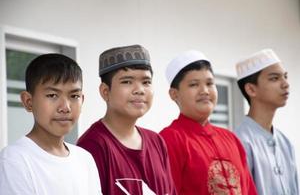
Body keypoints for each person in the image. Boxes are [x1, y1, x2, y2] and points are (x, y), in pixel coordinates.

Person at [77, 44, 176, 195]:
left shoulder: (157, 141)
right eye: (127, 81)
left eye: (146, 82)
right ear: (105, 91)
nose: (139, 90)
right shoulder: (92, 146)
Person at [0, 53, 101, 195]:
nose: (65, 107)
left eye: (74, 96)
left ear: (82, 100)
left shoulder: (85, 159)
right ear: (28, 101)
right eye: (52, 95)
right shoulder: (15, 159)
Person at [160, 50, 257, 195]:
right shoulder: (169, 140)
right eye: (194, 85)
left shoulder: (231, 139)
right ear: (174, 94)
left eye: (210, 83)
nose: (204, 91)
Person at [234, 49, 299, 195]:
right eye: (274, 78)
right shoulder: (239, 143)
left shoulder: (286, 143)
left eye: (285, 77)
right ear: (251, 89)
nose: (285, 84)